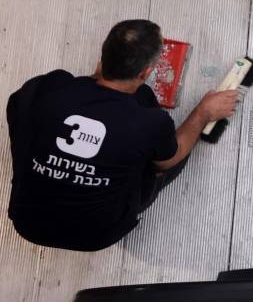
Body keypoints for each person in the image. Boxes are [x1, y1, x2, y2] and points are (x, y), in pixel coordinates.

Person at [5, 19, 239, 251]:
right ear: (146, 72)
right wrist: (203, 113)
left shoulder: (48, 87)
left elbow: (15, 107)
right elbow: (168, 161)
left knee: (32, 113)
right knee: (160, 155)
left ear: (103, 54)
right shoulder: (147, 121)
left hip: (28, 222)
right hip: (95, 235)